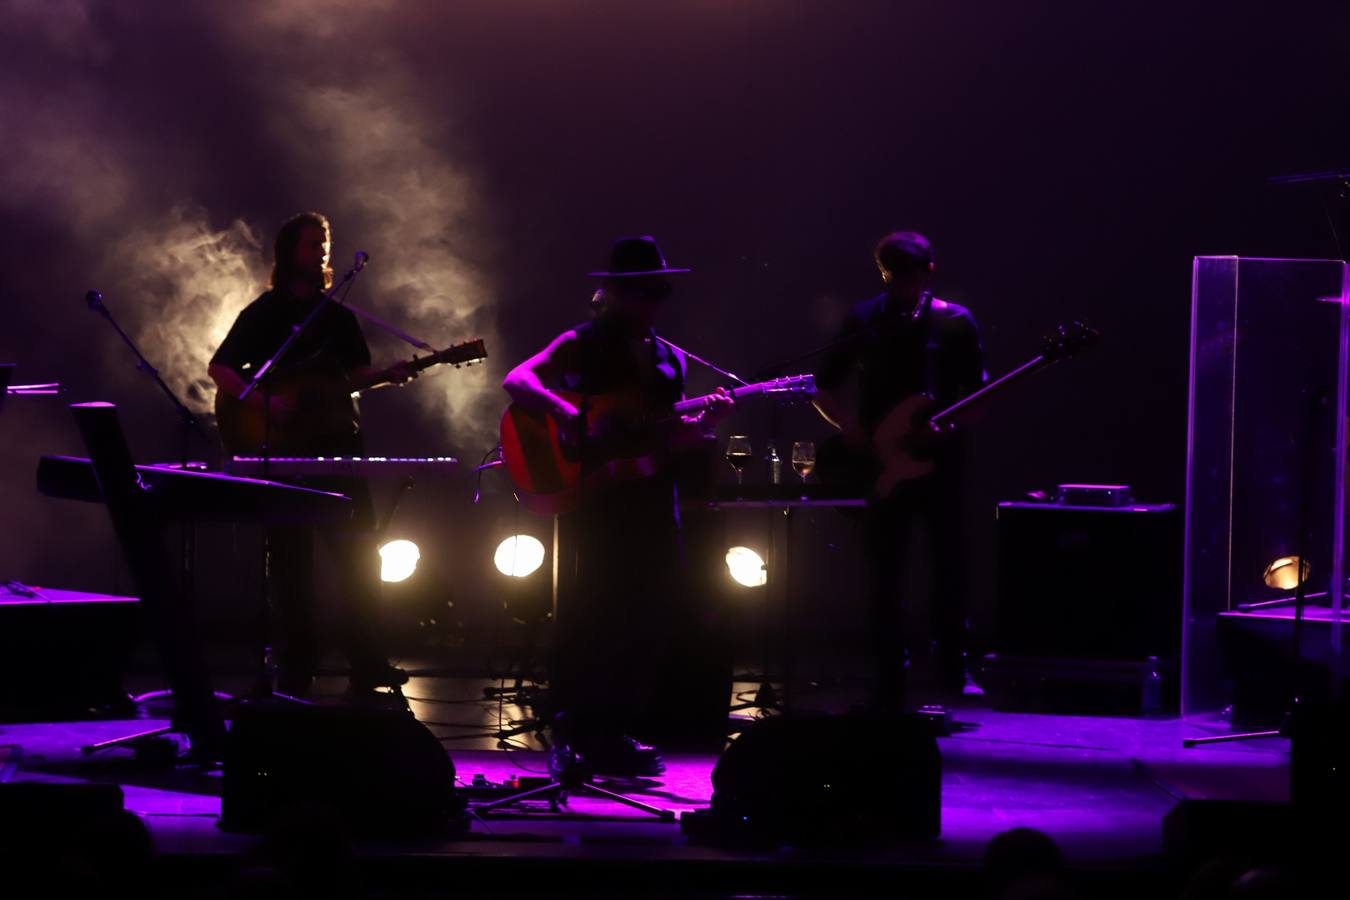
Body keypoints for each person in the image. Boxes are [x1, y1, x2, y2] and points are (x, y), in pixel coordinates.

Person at [502, 235, 734, 776]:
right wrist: (567, 414)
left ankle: (618, 730)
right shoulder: (582, 343)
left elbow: (663, 437)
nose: (650, 302)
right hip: (598, 500)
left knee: (649, 614)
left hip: (654, 499)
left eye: (656, 292)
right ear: (615, 293)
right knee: (593, 614)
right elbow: (519, 380)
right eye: (639, 292)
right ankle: (577, 729)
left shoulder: (670, 359)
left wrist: (703, 428)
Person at [208, 211, 410, 696]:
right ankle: (296, 662)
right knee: (291, 564)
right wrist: (263, 403)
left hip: (337, 450)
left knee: (360, 556)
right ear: (288, 252)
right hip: (283, 457)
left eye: (324, 242)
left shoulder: (338, 318)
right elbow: (221, 369)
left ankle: (368, 659)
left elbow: (356, 376)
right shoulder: (265, 313)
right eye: (310, 243)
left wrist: (395, 372)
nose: (320, 251)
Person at [813, 230, 986, 708]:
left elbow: (977, 397)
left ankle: (953, 665)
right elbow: (823, 386)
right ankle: (887, 668)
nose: (901, 284)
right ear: (881, 272)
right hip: (880, 465)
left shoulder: (954, 323)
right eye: (892, 275)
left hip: (939, 464)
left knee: (949, 568)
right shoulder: (864, 320)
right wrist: (850, 427)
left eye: (909, 275)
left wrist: (946, 429)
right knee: (884, 570)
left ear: (929, 271)